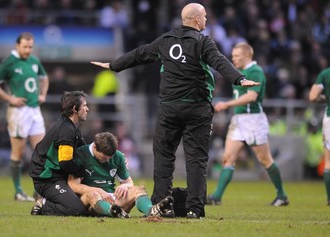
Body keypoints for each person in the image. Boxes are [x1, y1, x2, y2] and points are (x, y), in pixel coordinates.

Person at [90, 3, 259, 218]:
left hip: (169, 108)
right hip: (197, 108)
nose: (206, 20)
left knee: (163, 157)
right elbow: (219, 61)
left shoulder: (166, 40)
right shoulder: (203, 41)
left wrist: (114, 65)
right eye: (204, 17)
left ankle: (162, 206)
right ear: (197, 20)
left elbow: (140, 54)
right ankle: (194, 210)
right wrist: (239, 78)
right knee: (196, 159)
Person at [206, 42, 289, 206]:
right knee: (228, 158)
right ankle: (216, 197)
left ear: (247, 56)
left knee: (265, 160)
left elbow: (251, 96)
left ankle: (282, 195)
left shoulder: (255, 71)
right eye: (233, 56)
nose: (233, 59)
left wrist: (227, 104)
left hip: (253, 120)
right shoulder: (239, 72)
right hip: (239, 120)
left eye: (236, 56)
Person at [0, 32, 49, 202]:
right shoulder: (9, 62)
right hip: (18, 112)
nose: (28, 50)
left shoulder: (34, 61)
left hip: (35, 110)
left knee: (42, 152)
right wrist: (9, 98)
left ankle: (40, 191)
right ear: (17, 46)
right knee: (19, 153)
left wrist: (42, 94)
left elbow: (44, 78)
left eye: (30, 47)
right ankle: (18, 191)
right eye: (25, 47)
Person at [68, 132, 174, 218]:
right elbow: (73, 185)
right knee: (93, 194)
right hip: (90, 199)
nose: (106, 161)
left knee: (138, 189)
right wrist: (99, 191)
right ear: (95, 147)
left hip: (112, 198)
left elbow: (128, 182)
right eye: (103, 158)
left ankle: (151, 211)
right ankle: (112, 211)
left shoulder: (118, 156)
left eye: (109, 158)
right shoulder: (81, 154)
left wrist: (124, 186)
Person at [29, 90, 89, 216]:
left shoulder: (71, 126)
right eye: (84, 106)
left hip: (56, 176)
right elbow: (65, 162)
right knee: (77, 210)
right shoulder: (66, 130)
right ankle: (44, 204)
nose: (87, 109)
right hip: (47, 180)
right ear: (74, 109)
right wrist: (82, 172)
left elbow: (84, 150)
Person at [309, 67, 330, 206]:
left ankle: (329, 198)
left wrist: (325, 97)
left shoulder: (325, 73)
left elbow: (312, 96)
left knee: (328, 161)